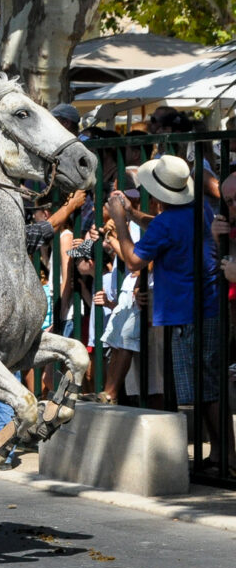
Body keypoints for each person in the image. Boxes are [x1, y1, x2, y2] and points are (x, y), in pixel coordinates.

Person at [107, 155, 234, 474]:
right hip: (204, 307)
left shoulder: (169, 221)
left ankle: (228, 459)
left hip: (187, 312)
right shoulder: (198, 209)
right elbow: (160, 229)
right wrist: (136, 214)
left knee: (205, 391)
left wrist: (121, 222)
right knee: (206, 388)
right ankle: (220, 457)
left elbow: (135, 260)